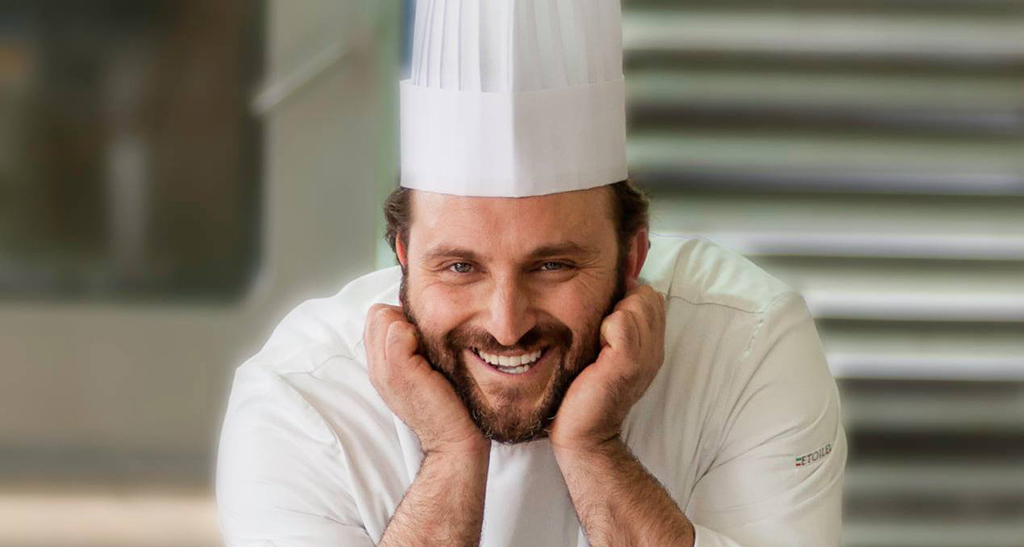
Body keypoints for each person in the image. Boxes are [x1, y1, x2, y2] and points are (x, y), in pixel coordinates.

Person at [216, 1, 847, 545]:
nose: (507, 323)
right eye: (460, 266)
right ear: (403, 257)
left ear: (633, 258)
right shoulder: (302, 402)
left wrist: (594, 448)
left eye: (552, 265)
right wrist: (450, 456)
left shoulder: (747, 348)